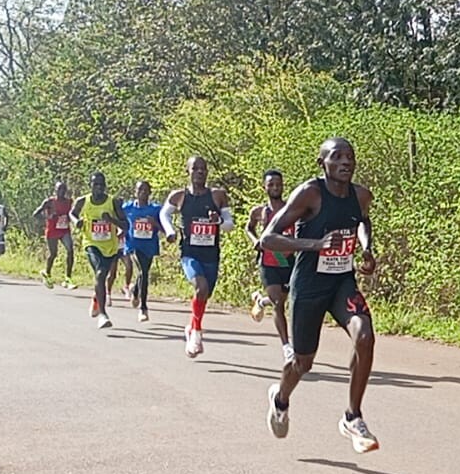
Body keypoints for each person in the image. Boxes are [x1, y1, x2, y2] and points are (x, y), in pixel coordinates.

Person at [260, 138, 380, 454]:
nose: (345, 162)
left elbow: (362, 221)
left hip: (341, 283)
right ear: (322, 163)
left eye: (350, 157)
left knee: (365, 335)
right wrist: (315, 245)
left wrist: (366, 248)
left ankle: (353, 417)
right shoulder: (310, 194)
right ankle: (280, 399)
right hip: (309, 286)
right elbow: (268, 238)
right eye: (336, 157)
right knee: (302, 363)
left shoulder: (361, 195)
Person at [161, 156, 233, 358]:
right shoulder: (179, 196)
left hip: (211, 255)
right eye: (195, 168)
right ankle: (196, 333)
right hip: (189, 253)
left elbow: (229, 225)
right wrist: (170, 231)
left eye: (203, 168)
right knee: (201, 287)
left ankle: (191, 327)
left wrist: (218, 221)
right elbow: (164, 214)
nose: (200, 172)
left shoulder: (218, 195)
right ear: (188, 171)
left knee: (205, 294)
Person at [246, 169, 295, 362]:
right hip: (268, 262)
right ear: (264, 187)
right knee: (278, 304)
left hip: (288, 261)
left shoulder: (292, 209)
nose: (275, 187)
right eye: (271, 184)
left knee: (282, 298)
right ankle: (287, 347)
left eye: (278, 184)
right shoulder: (259, 211)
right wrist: (255, 241)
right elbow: (249, 227)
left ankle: (260, 301)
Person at [71, 172, 128, 329]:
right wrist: (76, 222)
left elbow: (126, 225)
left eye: (101, 185)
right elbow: (72, 213)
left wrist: (111, 220)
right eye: (95, 184)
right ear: (90, 185)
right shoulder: (83, 201)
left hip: (110, 247)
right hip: (91, 243)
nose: (99, 188)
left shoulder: (113, 202)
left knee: (102, 277)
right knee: (100, 273)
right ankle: (103, 315)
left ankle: (97, 298)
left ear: (105, 186)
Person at [120, 180, 163, 322]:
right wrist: (120, 230)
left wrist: (154, 223)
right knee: (144, 272)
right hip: (133, 245)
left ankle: (135, 291)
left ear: (150, 192)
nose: (143, 192)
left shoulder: (156, 209)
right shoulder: (127, 208)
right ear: (135, 192)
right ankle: (143, 308)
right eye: (140, 190)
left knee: (143, 272)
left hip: (149, 246)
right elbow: (119, 219)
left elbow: (164, 228)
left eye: (145, 190)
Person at [33, 181, 77, 289]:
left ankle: (68, 278)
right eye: (59, 190)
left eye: (63, 190)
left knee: (70, 250)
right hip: (52, 231)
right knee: (53, 254)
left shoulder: (69, 202)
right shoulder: (49, 202)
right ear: (55, 190)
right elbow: (36, 214)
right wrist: (48, 217)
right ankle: (47, 273)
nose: (61, 192)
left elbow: (73, 214)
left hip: (64, 230)